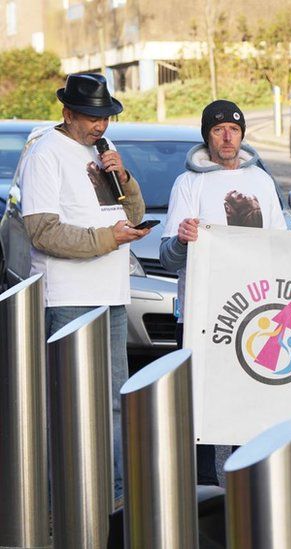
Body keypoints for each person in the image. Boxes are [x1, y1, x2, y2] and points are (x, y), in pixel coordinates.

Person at [20, 72, 150, 501]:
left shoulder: (104, 151)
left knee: (114, 399)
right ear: (68, 112)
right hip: (68, 297)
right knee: (69, 403)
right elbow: (42, 231)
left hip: (111, 294)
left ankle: (113, 492)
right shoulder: (45, 153)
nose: (100, 126)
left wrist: (124, 178)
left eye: (105, 117)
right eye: (92, 118)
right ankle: (62, 496)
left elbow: (131, 212)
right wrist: (108, 239)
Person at [159, 100, 287, 486]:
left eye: (233, 129)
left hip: (253, 311)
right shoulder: (189, 183)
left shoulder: (262, 182)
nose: (227, 136)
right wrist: (183, 240)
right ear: (207, 136)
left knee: (245, 395)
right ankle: (203, 484)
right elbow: (167, 257)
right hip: (202, 310)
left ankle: (245, 476)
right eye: (218, 130)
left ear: (243, 134)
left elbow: (281, 246)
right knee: (200, 397)